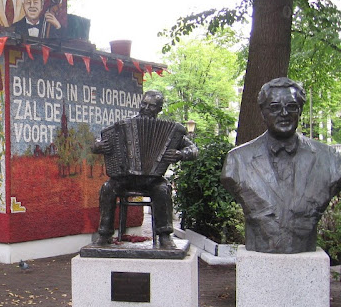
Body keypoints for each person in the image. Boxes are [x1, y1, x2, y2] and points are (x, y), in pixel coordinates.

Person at [221, 77, 341, 253]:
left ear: (299, 111)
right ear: (262, 113)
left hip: (304, 248)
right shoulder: (237, 161)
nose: (284, 113)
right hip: (259, 248)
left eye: (291, 106)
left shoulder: (329, 159)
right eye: (275, 107)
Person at [93, 90, 198, 248]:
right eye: (144, 104)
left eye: (151, 106)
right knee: (108, 188)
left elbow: (193, 150)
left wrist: (180, 154)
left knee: (163, 189)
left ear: (159, 109)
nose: (146, 108)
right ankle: (104, 234)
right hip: (125, 178)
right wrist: (98, 146)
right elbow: (99, 142)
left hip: (152, 179)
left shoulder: (172, 132)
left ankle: (164, 236)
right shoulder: (124, 126)